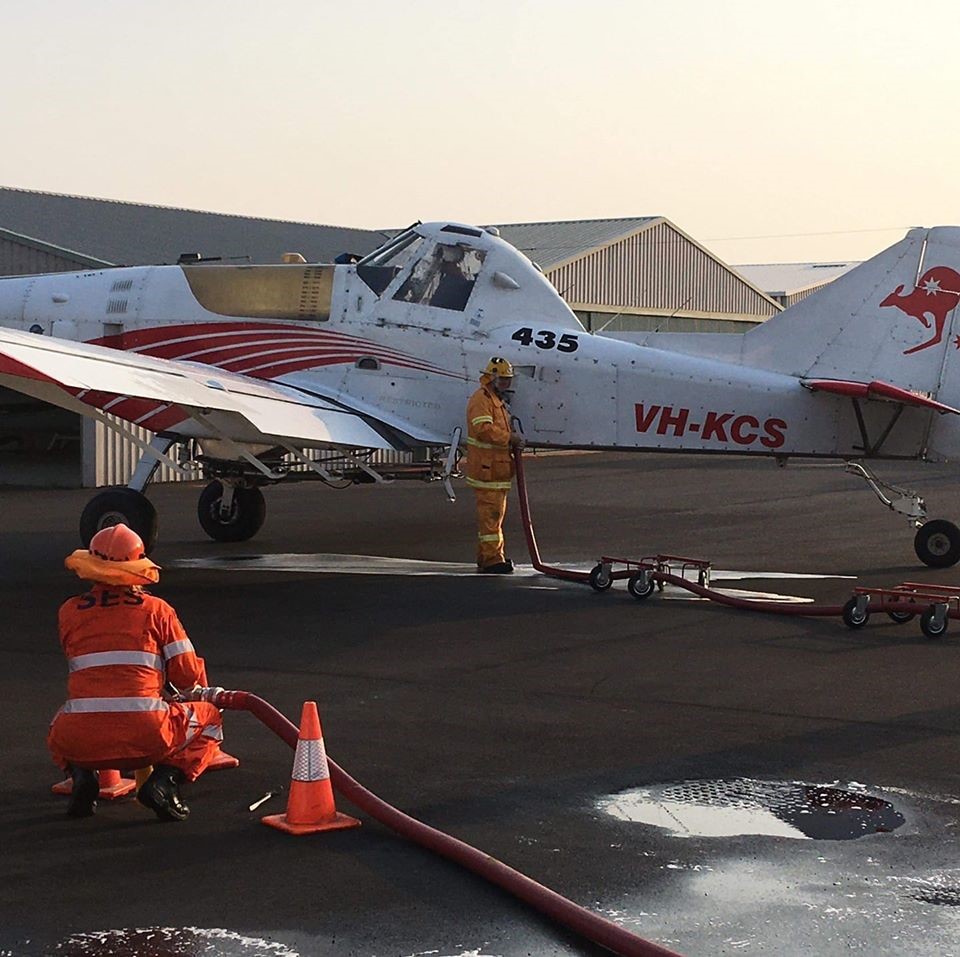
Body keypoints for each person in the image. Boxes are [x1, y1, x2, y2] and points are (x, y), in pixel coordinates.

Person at [47, 523, 224, 821]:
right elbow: (186, 675)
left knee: (58, 726)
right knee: (210, 718)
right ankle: (165, 783)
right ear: (138, 566)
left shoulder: (69, 611)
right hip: (148, 737)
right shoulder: (157, 610)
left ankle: (82, 778)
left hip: (79, 740)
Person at [465, 357, 526, 573]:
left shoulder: (495, 401)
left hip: (496, 471)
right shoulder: (481, 400)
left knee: (493, 519)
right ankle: (492, 560)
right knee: (491, 520)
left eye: (508, 381)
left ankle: (486, 557)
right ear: (491, 378)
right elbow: (484, 430)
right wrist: (510, 438)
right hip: (487, 471)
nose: (506, 385)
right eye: (503, 380)